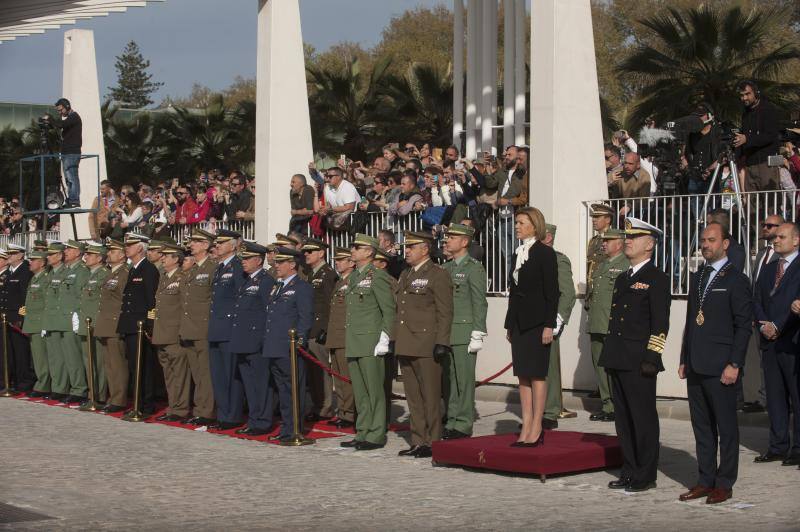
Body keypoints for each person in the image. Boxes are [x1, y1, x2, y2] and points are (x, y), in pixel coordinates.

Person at [678, 223, 752, 505]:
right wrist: (684, 358)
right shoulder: (697, 277)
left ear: (725, 244)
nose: (705, 245)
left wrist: (735, 363)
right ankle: (705, 480)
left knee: (726, 428)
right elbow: (690, 322)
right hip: (696, 364)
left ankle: (724, 482)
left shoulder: (736, 279)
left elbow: (743, 326)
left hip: (722, 366)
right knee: (702, 427)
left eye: (711, 240)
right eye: (703, 240)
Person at [600, 217, 671, 492]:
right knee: (624, 420)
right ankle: (629, 469)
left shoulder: (656, 278)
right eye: (627, 237)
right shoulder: (623, 277)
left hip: (640, 361)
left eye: (634, 237)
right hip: (618, 356)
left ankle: (645, 473)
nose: (627, 241)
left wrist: (652, 358)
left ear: (650, 244)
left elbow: (660, 323)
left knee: (642, 419)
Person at [395, 231, 453, 458]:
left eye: (411, 247)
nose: (406, 251)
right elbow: (398, 309)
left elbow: (445, 312)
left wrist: (442, 342)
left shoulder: (438, 274)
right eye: (406, 247)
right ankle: (418, 440)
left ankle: (433, 440)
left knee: (430, 396)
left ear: (425, 249)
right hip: (406, 341)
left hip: (427, 343)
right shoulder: (405, 274)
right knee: (413, 397)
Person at [505, 207, 558, 447]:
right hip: (519, 324)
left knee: (537, 374)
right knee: (522, 375)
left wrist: (549, 325)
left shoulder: (545, 254)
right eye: (516, 222)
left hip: (538, 323)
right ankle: (525, 423)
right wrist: (509, 324)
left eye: (521, 222)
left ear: (534, 226)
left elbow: (552, 293)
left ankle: (537, 424)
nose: (516, 226)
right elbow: (514, 293)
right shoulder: (517, 253)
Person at [340, 234, 397, 451]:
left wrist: (385, 337)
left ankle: (375, 434)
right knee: (361, 392)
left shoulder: (378, 276)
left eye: (357, 247)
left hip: (371, 341)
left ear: (369, 252)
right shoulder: (354, 276)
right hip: (355, 340)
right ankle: (362, 430)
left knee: (374, 391)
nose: (352, 250)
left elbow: (388, 309)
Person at [753, 222, 800, 465]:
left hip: (791, 341)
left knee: (796, 395)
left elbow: (796, 304)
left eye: (782, 236)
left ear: (796, 240)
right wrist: (764, 325)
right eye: (775, 236)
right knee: (775, 396)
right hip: (769, 341)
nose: (776, 240)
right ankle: (778, 445)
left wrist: (779, 326)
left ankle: (798, 448)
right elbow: (757, 299)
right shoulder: (770, 268)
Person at [262, 247, 314, 442]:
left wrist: (299, 341)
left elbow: (305, 317)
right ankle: (286, 427)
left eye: (280, 262)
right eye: (276, 262)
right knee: (283, 391)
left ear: (292, 265)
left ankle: (295, 429)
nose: (276, 265)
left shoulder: (301, 287)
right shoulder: (278, 286)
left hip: (290, 347)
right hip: (275, 345)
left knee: (294, 390)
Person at [441, 223, 487, 439]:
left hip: (464, 331)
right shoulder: (446, 268)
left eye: (452, 237)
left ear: (465, 241)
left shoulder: (473, 267)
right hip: (447, 332)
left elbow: (479, 302)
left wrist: (478, 331)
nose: (447, 240)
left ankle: (463, 423)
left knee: (464, 381)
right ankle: (452, 419)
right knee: (450, 380)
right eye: (448, 236)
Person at [231, 240, 275, 435]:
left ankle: (263, 421)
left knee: (261, 384)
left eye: (247, 258)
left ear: (258, 260)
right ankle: (254, 420)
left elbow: (268, 312)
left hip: (257, 341)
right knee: (250, 384)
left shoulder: (265, 281)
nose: (243, 262)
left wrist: (264, 340)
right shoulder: (247, 280)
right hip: (243, 340)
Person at [585, 229, 629, 421]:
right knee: (600, 367)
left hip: (612, 325)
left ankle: (618, 406)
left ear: (619, 244)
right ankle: (607, 405)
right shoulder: (601, 266)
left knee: (614, 368)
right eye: (604, 241)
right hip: (596, 323)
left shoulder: (625, 265)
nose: (603, 244)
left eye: (608, 241)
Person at [117, 233, 160, 416]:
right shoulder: (134, 269)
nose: (127, 248)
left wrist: (150, 325)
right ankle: (138, 402)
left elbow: (152, 300)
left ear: (140, 248)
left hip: (141, 325)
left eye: (131, 245)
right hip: (130, 324)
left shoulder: (148, 270)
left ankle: (146, 404)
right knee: (135, 366)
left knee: (144, 367)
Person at [179, 229, 218, 427]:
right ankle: (199, 408)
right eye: (192, 241)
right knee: (196, 372)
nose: (191, 244)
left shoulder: (213, 268)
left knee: (206, 372)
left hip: (203, 327)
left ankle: (207, 411)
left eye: (196, 241)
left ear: (206, 245)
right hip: (189, 327)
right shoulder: (192, 270)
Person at [207, 229, 245, 431]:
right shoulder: (220, 267)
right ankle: (223, 413)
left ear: (232, 245)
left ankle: (232, 415)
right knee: (219, 375)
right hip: (216, 327)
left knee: (231, 375)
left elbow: (241, 297)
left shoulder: (237, 266)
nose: (217, 246)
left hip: (229, 328)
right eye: (216, 243)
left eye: (221, 243)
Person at [150, 243, 190, 422]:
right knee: (169, 374)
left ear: (176, 259)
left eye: (166, 255)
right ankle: (173, 405)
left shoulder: (182, 277)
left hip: (175, 333)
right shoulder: (164, 277)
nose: (163, 258)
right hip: (162, 333)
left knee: (180, 374)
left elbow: (184, 307)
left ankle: (180, 408)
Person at [542, 224, 577, 429]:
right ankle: (537, 410)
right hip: (532, 320)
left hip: (549, 321)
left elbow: (567, 293)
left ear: (547, 237)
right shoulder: (526, 256)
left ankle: (551, 410)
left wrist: (558, 319)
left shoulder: (558, 259)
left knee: (549, 368)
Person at [301, 238, 338, 422]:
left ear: (321, 253)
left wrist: (326, 329)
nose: (306, 254)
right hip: (310, 328)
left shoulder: (328, 274)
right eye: (305, 251)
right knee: (312, 372)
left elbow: (332, 304)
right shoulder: (311, 274)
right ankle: (317, 405)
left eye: (310, 251)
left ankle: (326, 407)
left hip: (319, 330)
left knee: (322, 371)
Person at [96, 238, 130, 414]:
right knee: (109, 364)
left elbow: (123, 301)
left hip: (115, 323)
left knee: (118, 364)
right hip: (105, 323)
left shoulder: (124, 273)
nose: (109, 253)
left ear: (123, 255)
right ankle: (113, 396)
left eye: (113, 251)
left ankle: (119, 398)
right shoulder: (111, 272)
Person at [324, 247, 356, 429]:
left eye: (342, 260)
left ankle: (349, 413)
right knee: (338, 378)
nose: (337, 262)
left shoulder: (353, 280)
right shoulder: (339, 282)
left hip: (345, 336)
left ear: (351, 262)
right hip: (335, 335)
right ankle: (343, 411)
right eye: (336, 259)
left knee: (346, 378)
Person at [77, 242, 110, 405]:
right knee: (88, 361)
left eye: (90, 255)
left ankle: (99, 395)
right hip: (85, 323)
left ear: (99, 258)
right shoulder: (89, 274)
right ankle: (92, 394)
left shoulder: (104, 274)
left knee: (98, 362)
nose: (86, 257)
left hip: (96, 324)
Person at [734, 80, 781, 191]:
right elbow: (744, 136)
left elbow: (770, 135)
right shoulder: (746, 113)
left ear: (756, 93)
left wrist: (747, 138)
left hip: (767, 163)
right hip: (750, 164)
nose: (744, 98)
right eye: (742, 95)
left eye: (747, 94)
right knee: (751, 204)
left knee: (770, 202)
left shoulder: (768, 109)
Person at [1, 244, 35, 392]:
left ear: (21, 255)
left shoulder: (25, 272)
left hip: (18, 318)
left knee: (21, 351)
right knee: (9, 351)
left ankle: (24, 381)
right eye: (8, 253)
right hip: (6, 317)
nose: (9, 255)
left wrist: (22, 317)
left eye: (13, 253)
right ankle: (12, 380)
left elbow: (25, 297)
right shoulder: (8, 273)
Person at [42, 241, 71, 403]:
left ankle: (65, 387)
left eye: (52, 254)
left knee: (65, 357)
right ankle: (58, 387)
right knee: (54, 357)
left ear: (60, 256)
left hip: (62, 320)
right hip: (50, 319)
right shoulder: (49, 273)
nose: (48, 257)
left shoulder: (65, 272)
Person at [19, 250, 49, 397]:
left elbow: (46, 303)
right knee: (37, 357)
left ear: (42, 263)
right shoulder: (35, 278)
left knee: (42, 357)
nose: (30, 262)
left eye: (34, 259)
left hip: (40, 323)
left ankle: (43, 385)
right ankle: (41, 382)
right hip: (32, 322)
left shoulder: (45, 278)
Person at [48, 98, 82, 208]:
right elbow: (62, 126)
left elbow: (61, 124)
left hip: (72, 152)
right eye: (58, 111)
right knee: (68, 178)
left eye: (60, 110)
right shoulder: (70, 119)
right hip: (67, 152)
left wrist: (50, 119)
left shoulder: (74, 117)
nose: (60, 112)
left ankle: (74, 200)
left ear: (67, 106)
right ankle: (71, 199)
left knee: (71, 177)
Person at [587, 203, 615, 283]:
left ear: (608, 220)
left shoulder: (614, 240)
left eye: (597, 217)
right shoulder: (593, 241)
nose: (593, 220)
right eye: (593, 217)